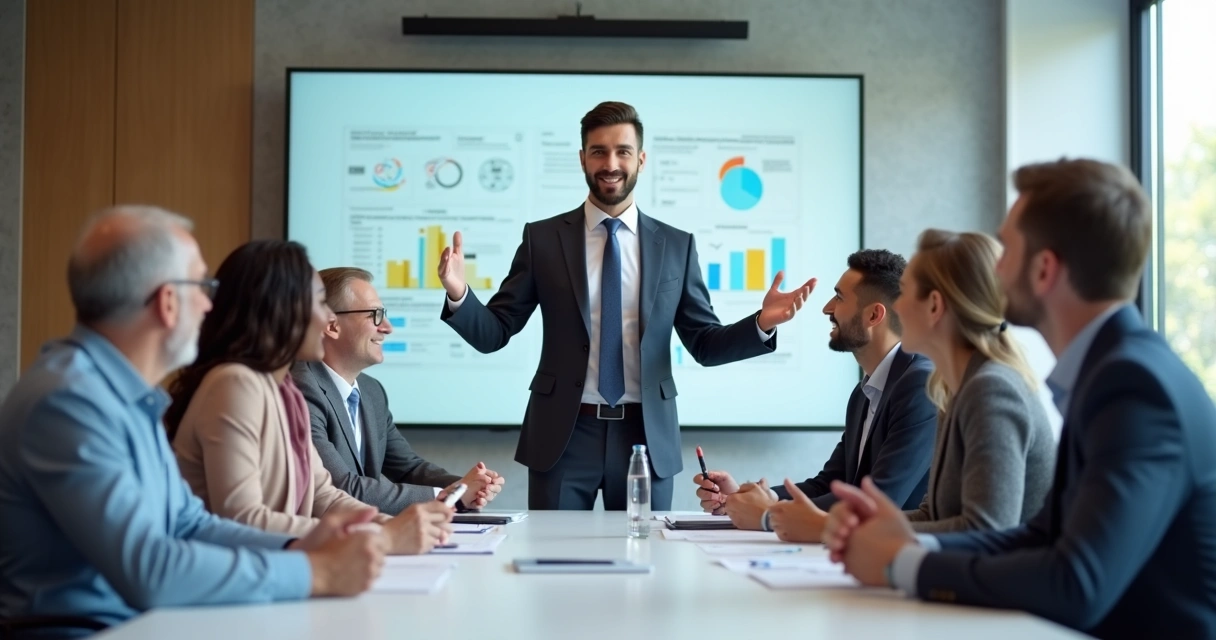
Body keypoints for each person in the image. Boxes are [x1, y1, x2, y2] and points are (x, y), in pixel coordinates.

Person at [823, 159, 1216, 639]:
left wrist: (902, 564)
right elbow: (1039, 537)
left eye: (1006, 249)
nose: (995, 266)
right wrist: (901, 546)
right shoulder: (1114, 369)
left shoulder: (1132, 386)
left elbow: (1076, 583)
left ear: (1045, 269)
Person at [0, 207, 386, 631]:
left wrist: (301, 542)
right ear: (168, 302)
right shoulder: (70, 402)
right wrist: (314, 572)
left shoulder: (125, 395)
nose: (210, 304)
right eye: (202, 286)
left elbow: (188, 523)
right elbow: (149, 568)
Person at [436, 101, 815, 510]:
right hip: (564, 435)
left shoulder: (676, 246)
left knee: (646, 550)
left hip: (646, 436)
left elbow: (704, 344)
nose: (610, 163)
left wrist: (761, 324)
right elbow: (495, 332)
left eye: (623, 151)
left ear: (641, 160)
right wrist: (459, 293)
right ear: (582, 158)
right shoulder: (542, 239)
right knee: (551, 550)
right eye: (598, 151)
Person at [167, 240, 452, 554]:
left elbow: (323, 495)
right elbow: (243, 519)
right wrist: (378, 536)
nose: (327, 319)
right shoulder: (235, 384)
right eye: (319, 303)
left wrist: (389, 526)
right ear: (281, 310)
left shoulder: (284, 390)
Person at [770, 230, 1054, 542]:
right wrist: (832, 524)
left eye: (904, 293)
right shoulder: (953, 388)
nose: (897, 308)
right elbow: (931, 516)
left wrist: (829, 528)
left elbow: (983, 531)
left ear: (934, 306)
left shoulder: (991, 391)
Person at [693, 250, 937, 536]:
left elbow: (880, 500)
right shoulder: (863, 394)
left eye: (839, 298)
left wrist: (768, 514)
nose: (826, 308)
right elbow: (829, 484)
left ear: (873, 315)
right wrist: (743, 500)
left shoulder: (920, 385)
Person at [291, 267, 505, 514]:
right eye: (375, 315)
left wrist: (467, 486)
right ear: (332, 326)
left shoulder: (371, 391)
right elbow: (340, 488)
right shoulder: (301, 390)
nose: (387, 327)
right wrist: (450, 495)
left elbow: (408, 469)